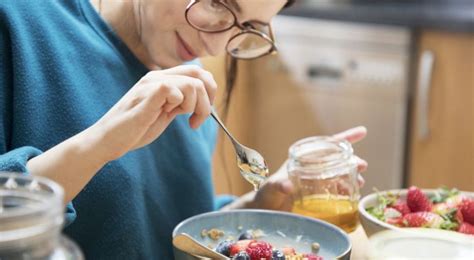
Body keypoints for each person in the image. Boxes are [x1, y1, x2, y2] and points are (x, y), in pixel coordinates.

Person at [0, 0, 367, 258]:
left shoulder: (191, 79)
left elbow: (165, 226)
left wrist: (258, 203)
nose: (216, 43)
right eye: (217, 2)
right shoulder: (17, 22)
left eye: (249, 28)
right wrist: (100, 143)